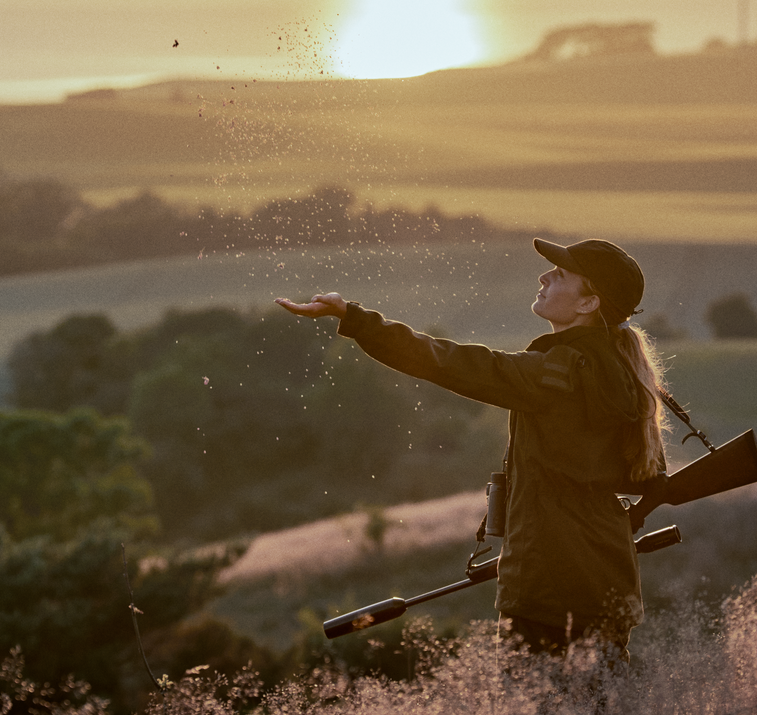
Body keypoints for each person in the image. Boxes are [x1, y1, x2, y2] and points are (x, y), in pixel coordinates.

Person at [277, 238, 669, 660]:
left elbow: (446, 361)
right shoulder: (625, 372)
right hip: (608, 585)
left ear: (588, 303)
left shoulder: (558, 373)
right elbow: (646, 478)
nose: (544, 276)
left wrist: (354, 319)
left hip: (549, 594)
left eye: (560, 275)